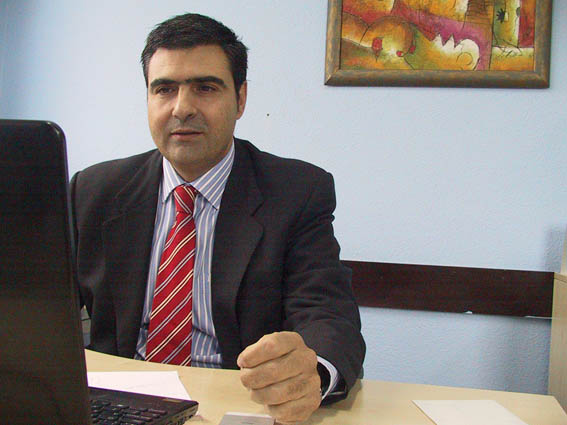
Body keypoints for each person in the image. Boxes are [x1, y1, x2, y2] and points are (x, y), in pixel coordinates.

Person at [70, 13, 365, 424]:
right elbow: (42, 308)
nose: (182, 108)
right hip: (120, 404)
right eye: (164, 89)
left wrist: (311, 370)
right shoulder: (94, 190)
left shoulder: (296, 192)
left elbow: (327, 312)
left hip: (237, 404)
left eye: (205, 88)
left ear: (240, 99)